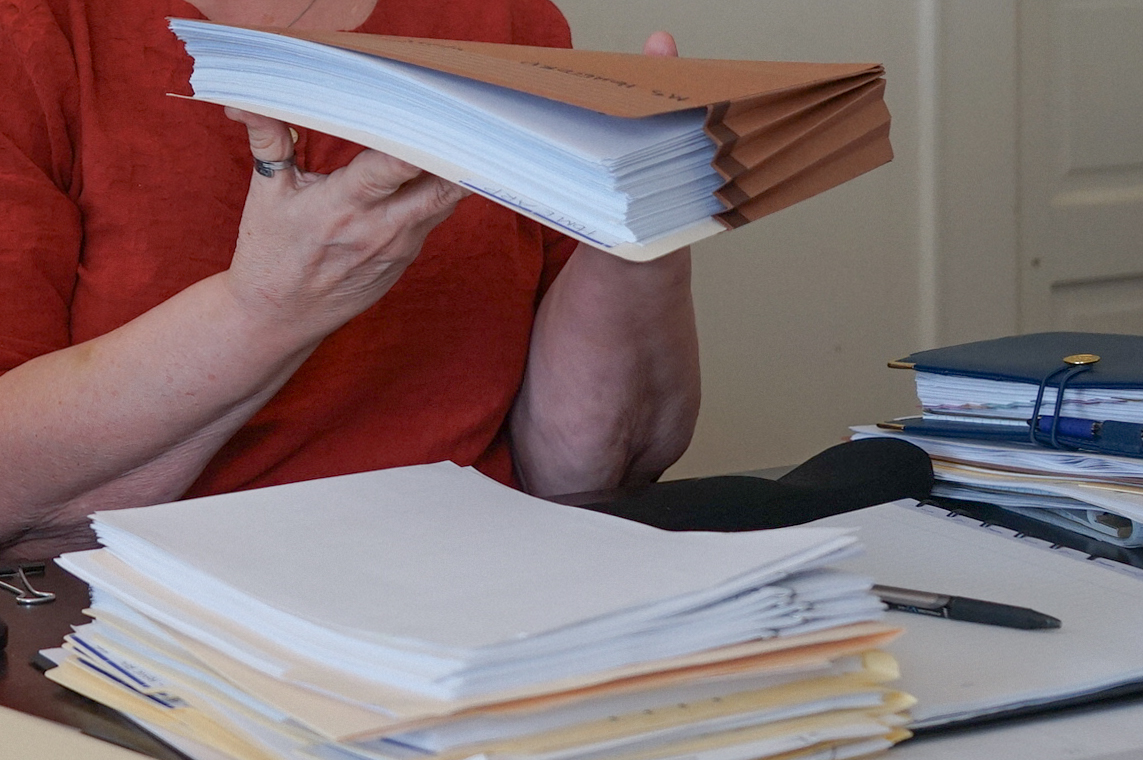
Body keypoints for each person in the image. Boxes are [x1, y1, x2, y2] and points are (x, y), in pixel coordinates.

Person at [0, 0, 701, 560]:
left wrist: (644, 217)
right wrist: (267, 308)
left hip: (485, 591)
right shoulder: (34, 30)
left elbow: (593, 472)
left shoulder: (508, 20)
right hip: (152, 626)